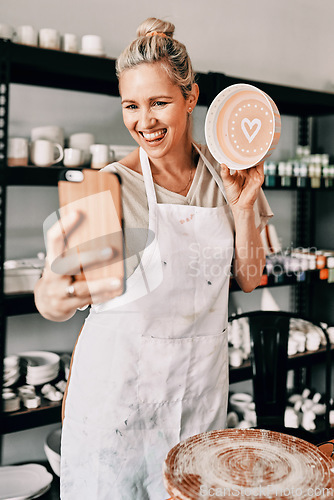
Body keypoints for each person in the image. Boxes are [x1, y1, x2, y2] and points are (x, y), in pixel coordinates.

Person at [35, 17, 273, 500]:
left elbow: (249, 279)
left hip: (197, 397)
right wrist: (53, 294)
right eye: (131, 105)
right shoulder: (106, 186)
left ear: (191, 97)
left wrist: (243, 206)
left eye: (160, 102)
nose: (144, 121)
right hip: (117, 404)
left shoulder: (228, 175)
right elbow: (54, 297)